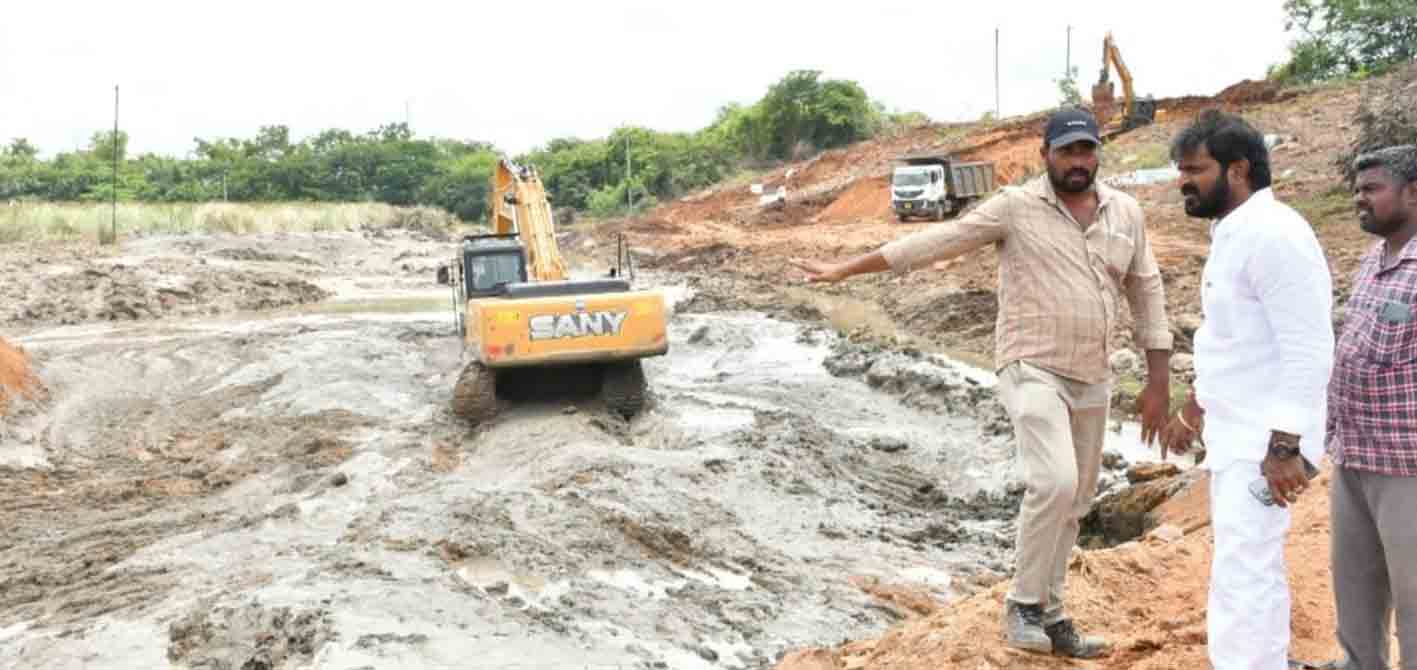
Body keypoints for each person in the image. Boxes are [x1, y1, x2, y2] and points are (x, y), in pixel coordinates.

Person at [792, 108, 1173, 659]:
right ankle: (1021, 603)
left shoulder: (1126, 213)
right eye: (1067, 151)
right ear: (1045, 155)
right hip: (1031, 364)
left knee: (1078, 501)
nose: (1079, 162)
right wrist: (846, 269)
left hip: (1094, 373)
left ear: (1098, 154)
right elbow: (941, 241)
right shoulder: (1016, 207)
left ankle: (1054, 612)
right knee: (1056, 481)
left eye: (1087, 150)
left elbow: (1147, 291)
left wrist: (1158, 379)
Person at [1159, 110, 1333, 670]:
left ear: (1237, 170)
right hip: (1241, 434)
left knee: (1246, 570)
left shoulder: (1274, 235)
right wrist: (1195, 407)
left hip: (1266, 442)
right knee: (1242, 565)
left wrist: (1285, 448)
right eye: (1181, 170)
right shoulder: (1233, 232)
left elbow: (1309, 348)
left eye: (1194, 170)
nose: (1183, 181)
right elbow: (1231, 341)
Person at [1321, 144, 1417, 670]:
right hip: (1354, 458)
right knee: (1354, 585)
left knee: (1415, 595)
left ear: (1413, 192)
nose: (1360, 199)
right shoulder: (1372, 261)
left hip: (1407, 466)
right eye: (1357, 190)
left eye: (1372, 188)